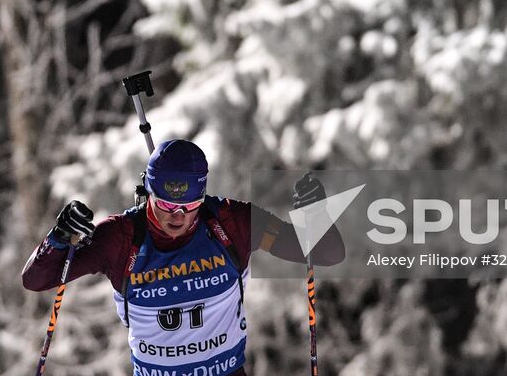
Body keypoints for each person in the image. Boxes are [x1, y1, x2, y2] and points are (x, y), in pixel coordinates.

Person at [21, 139, 344, 376]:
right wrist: (58, 239)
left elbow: (326, 252)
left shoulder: (231, 223)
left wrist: (317, 214)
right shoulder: (120, 238)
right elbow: (35, 280)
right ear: (149, 192)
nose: (178, 216)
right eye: (166, 205)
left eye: (190, 207)